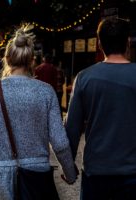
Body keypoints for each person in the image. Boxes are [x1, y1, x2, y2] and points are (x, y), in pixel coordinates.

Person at [0, 25, 77, 199]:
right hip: (36, 176)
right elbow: (60, 142)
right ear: (32, 60)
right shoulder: (46, 91)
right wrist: (70, 173)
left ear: (7, 59)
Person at [65, 17, 136, 200]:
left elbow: (72, 128)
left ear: (99, 43)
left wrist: (68, 165)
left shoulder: (84, 78)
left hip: (96, 172)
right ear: (128, 41)